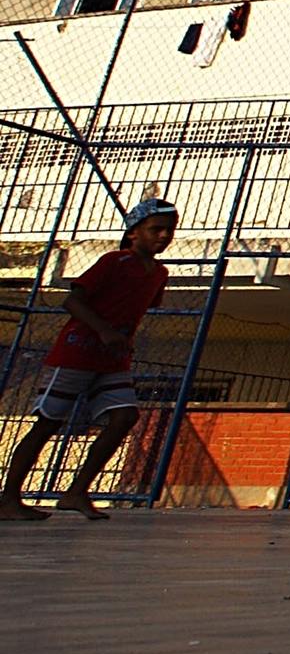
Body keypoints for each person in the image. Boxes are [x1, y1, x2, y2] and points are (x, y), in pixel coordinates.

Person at [3, 197, 178, 521]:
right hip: (77, 352)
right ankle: (9, 498)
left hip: (111, 359)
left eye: (169, 231)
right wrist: (103, 330)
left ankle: (77, 491)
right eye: (156, 229)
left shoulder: (159, 273)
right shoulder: (114, 261)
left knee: (125, 416)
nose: (163, 237)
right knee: (49, 422)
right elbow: (73, 301)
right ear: (134, 232)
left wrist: (120, 339)